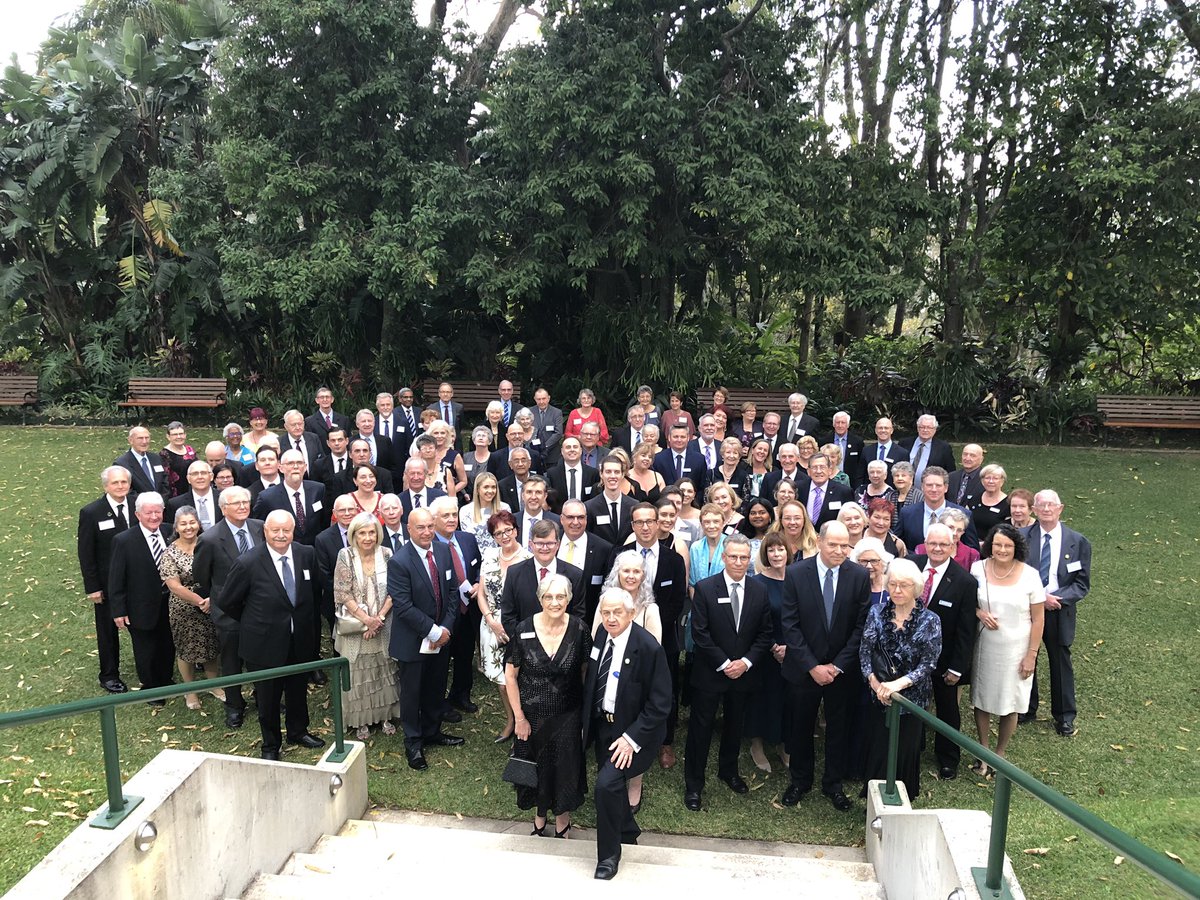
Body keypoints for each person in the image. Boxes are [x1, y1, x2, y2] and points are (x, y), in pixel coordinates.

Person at [218, 510, 325, 759]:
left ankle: (298, 731)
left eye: (286, 530)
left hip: (299, 640)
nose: (280, 535)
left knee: (298, 689)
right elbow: (228, 602)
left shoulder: (306, 554)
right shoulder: (248, 562)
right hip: (263, 644)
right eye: (275, 530)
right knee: (268, 698)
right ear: (265, 531)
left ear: (293, 530)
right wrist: (254, 622)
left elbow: (316, 590)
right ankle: (271, 745)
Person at [780, 521, 870, 812]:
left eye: (845, 545)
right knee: (800, 726)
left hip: (841, 672)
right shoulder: (795, 573)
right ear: (819, 542)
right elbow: (790, 624)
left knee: (838, 728)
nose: (840, 550)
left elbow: (861, 626)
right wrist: (812, 666)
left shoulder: (858, 575)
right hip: (803, 669)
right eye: (833, 544)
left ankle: (833, 783)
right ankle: (800, 781)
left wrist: (837, 666)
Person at [584, 589, 672, 880]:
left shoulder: (648, 649)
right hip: (602, 727)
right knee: (612, 785)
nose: (610, 618)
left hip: (633, 735)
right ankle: (629, 831)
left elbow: (660, 705)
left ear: (631, 613)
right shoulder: (600, 636)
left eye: (617, 613)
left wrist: (631, 739)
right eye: (606, 612)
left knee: (606, 786)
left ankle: (608, 856)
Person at [683, 534, 773, 811]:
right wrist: (724, 663)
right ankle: (694, 784)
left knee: (735, 726)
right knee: (701, 728)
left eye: (743, 557)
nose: (738, 562)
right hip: (711, 672)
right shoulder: (705, 588)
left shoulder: (759, 591)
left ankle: (728, 771)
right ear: (723, 557)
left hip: (744, 674)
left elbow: (764, 633)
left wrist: (745, 662)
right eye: (733, 556)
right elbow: (700, 633)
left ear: (750, 560)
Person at [505, 574, 590, 839]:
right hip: (531, 717)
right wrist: (518, 717)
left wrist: (584, 716)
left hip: (567, 715)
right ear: (540, 599)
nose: (555, 602)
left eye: (561, 596)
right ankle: (540, 819)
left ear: (569, 599)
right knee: (537, 768)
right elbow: (510, 675)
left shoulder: (579, 629)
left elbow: (587, 672)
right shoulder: (522, 629)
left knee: (565, 769)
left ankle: (563, 823)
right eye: (549, 596)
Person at [387, 508, 464, 771]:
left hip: (442, 638)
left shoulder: (442, 551)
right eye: (420, 527)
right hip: (413, 641)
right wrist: (433, 631)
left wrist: (445, 629)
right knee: (412, 693)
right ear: (409, 528)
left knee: (436, 686)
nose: (427, 532)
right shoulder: (399, 561)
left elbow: (452, 592)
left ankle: (432, 731)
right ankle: (413, 741)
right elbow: (403, 606)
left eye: (431, 526)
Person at [859, 558, 943, 799]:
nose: (897, 590)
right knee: (879, 747)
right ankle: (874, 797)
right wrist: (876, 685)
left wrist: (897, 685)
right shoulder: (876, 612)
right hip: (880, 697)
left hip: (911, 699)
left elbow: (928, 664)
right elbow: (865, 652)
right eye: (893, 584)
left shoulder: (931, 620)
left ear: (915, 588)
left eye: (904, 585)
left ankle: (903, 796)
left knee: (905, 748)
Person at [971, 523, 1045, 773]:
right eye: (997, 544)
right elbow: (968, 602)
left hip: (1017, 648)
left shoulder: (1030, 575)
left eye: (1008, 546)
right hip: (986, 646)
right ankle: (983, 751)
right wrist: (979, 612)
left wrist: (1031, 656)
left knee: (1011, 702)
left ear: (1017, 548)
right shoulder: (977, 569)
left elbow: (1039, 619)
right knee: (982, 699)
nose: (1002, 549)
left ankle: (999, 754)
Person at [908, 523, 979, 780]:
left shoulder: (965, 582)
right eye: (932, 543)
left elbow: (965, 629)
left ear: (952, 547)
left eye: (943, 544)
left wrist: (957, 667)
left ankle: (948, 758)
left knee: (948, 710)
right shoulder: (910, 565)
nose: (937, 549)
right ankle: (912, 748)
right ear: (925, 544)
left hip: (944, 661)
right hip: (909, 658)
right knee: (911, 707)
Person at [1021, 490, 1091, 736]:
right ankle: (1027, 708)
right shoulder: (1021, 537)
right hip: (1028, 608)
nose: (1047, 509)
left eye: (1051, 505)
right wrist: (1040, 597)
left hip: (1059, 609)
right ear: (1035, 510)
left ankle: (1064, 716)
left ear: (1061, 509)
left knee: (1060, 661)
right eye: (1041, 505)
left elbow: (1082, 583)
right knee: (1027, 656)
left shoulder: (1078, 541)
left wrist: (1057, 599)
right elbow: (1017, 573)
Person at [193, 487, 264, 727]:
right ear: (224, 509)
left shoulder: (260, 527)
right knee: (232, 661)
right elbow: (201, 575)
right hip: (229, 612)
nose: (243, 506)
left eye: (246, 501)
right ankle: (234, 705)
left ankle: (262, 695)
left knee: (261, 657)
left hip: (259, 608)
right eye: (237, 503)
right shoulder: (210, 539)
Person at [333, 513, 400, 741]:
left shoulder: (387, 554)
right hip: (356, 628)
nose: (368, 537)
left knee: (384, 670)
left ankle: (385, 716)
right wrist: (366, 620)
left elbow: (395, 589)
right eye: (362, 532)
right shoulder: (346, 555)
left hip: (383, 624)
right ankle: (360, 721)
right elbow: (343, 592)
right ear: (354, 534)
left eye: (372, 532)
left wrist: (378, 618)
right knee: (358, 674)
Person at [109, 492, 175, 700]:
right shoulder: (124, 540)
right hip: (140, 605)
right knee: (146, 648)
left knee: (167, 643)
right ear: (138, 515)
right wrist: (119, 610)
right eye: (149, 513)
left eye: (158, 511)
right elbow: (116, 578)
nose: (154, 516)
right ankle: (151, 687)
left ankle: (166, 679)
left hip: (170, 602)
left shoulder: (170, 532)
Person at [159, 506, 223, 710]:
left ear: (199, 524)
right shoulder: (169, 553)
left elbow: (220, 572)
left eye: (192, 522)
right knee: (186, 650)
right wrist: (200, 601)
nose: (189, 527)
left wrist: (211, 599)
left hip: (211, 603)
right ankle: (190, 691)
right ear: (176, 527)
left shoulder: (208, 544)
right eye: (183, 524)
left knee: (211, 646)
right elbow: (174, 586)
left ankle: (214, 685)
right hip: (184, 609)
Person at [78, 465, 133, 694]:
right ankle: (109, 675)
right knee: (108, 631)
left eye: (124, 482)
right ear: (105, 486)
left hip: (137, 580)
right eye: (115, 483)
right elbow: (86, 552)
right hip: (108, 583)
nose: (120, 486)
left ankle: (150, 668)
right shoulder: (92, 512)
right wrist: (93, 587)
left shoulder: (140, 505)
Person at [477, 511, 531, 739]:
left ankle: (526, 723)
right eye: (498, 533)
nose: (504, 535)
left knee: (521, 677)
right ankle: (511, 720)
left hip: (519, 625)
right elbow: (481, 593)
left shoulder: (528, 558)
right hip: (491, 624)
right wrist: (491, 621)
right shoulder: (489, 555)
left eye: (508, 530)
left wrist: (510, 627)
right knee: (501, 681)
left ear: (516, 530)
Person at [746, 533, 791, 773]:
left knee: (786, 699)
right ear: (765, 554)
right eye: (771, 550)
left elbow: (803, 616)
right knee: (762, 698)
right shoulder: (758, 582)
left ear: (787, 552)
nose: (776, 554)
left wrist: (790, 647)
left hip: (792, 650)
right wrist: (774, 647)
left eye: (780, 549)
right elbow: (757, 620)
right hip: (765, 650)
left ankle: (784, 744)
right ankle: (757, 744)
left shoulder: (797, 579)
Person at [499, 519, 585, 638]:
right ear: (531, 544)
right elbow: (508, 616)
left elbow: (578, 615)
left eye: (550, 543)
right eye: (539, 543)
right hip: (525, 647)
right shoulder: (514, 573)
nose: (544, 548)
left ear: (558, 544)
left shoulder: (575, 575)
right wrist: (527, 643)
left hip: (563, 647)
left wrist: (559, 643)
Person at [253, 449, 327, 545]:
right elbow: (260, 530)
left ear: (305, 467)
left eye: (299, 463)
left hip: (315, 551)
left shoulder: (318, 489)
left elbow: (324, 522)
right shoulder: (267, 497)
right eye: (290, 463)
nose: (295, 467)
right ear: (281, 468)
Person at [898, 466, 979, 552]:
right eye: (929, 485)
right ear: (922, 487)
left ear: (946, 488)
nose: (934, 489)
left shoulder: (964, 514)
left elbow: (972, 550)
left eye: (938, 485)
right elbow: (897, 543)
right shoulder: (907, 513)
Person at [558, 500, 613, 623]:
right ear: (561, 519)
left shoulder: (603, 549)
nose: (575, 522)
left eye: (580, 517)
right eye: (570, 517)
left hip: (589, 619)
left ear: (586, 519)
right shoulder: (551, 542)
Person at [586, 457, 636, 546]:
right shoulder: (589, 507)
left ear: (622, 474)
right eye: (608, 472)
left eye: (616, 472)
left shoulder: (634, 505)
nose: (612, 476)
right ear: (601, 474)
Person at [546, 436, 600, 512]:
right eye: (568, 447)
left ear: (581, 450)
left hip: (585, 516)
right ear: (562, 451)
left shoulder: (593, 473)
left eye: (575, 447)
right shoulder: (552, 473)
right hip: (559, 517)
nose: (572, 450)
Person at [460, 472, 510, 549]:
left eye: (493, 487)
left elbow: (508, 535)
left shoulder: (504, 508)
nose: (490, 491)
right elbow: (466, 540)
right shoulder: (465, 511)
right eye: (486, 487)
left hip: (500, 556)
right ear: (477, 489)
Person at [116, 425, 170, 497]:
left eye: (147, 438)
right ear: (130, 440)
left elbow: (165, 483)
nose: (144, 441)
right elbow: (127, 490)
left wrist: (161, 501)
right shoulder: (122, 464)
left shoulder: (156, 458)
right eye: (140, 438)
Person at [654, 422, 708, 492]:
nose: (679, 440)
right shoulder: (658, 459)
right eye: (675, 437)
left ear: (688, 438)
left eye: (682, 437)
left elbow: (702, 486)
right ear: (669, 437)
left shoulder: (699, 460)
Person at [167, 460, 220, 529]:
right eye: (195, 474)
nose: (200, 477)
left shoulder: (224, 498)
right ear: (188, 479)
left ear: (211, 476)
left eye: (203, 473)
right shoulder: (175, 504)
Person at [820, 411, 866, 489]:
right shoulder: (824, 441)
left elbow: (860, 465)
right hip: (827, 481)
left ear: (848, 425)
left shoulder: (857, 442)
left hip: (851, 483)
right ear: (833, 424)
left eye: (843, 422)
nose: (840, 425)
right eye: (837, 422)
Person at [689, 503, 728, 587]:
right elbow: (692, 583)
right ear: (701, 524)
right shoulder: (695, 548)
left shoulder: (732, 546)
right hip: (699, 597)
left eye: (716, 521)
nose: (711, 526)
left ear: (723, 523)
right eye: (707, 522)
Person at [849, 537, 894, 608]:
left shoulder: (893, 586)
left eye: (874, 561)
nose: (869, 566)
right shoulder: (851, 588)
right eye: (864, 561)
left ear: (883, 562)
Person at [972, 464, 1011, 538]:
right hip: (972, 545)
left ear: (1002, 481)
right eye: (987, 478)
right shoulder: (974, 499)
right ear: (982, 481)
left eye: (995, 478)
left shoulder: (1008, 503)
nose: (991, 481)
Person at [160, 421, 196, 499]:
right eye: (175, 434)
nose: (179, 437)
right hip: (175, 495)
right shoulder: (165, 454)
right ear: (168, 436)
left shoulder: (190, 449)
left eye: (181, 434)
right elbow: (164, 479)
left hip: (192, 490)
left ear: (185, 435)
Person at [530, 387, 564, 462]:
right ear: (535, 399)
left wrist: (544, 447)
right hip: (534, 453)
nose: (541, 401)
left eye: (544, 398)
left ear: (548, 398)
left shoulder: (557, 412)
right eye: (539, 399)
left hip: (552, 454)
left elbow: (558, 433)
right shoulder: (529, 412)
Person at [864, 417, 903, 482]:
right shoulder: (866, 451)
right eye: (880, 428)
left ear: (892, 430)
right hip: (870, 490)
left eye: (886, 428)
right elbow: (860, 475)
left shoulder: (902, 453)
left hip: (892, 491)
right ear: (876, 431)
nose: (883, 430)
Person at [947, 443, 985, 509]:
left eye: (972, 455)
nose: (967, 458)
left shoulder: (985, 480)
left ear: (981, 459)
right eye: (965, 454)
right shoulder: (951, 477)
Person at [737, 497, 775, 562]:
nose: (757, 516)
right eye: (753, 513)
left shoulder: (777, 536)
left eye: (762, 513)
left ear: (770, 515)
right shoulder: (741, 539)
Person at [464, 425, 498, 490]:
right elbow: (460, 478)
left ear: (490, 442)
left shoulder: (495, 458)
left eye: (484, 436)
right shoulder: (465, 457)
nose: (481, 438)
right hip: (467, 496)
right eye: (478, 435)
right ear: (474, 440)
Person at [672, 478, 703, 544]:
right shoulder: (669, 514)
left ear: (694, 495)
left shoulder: (701, 515)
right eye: (682, 490)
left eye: (689, 491)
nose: (685, 494)